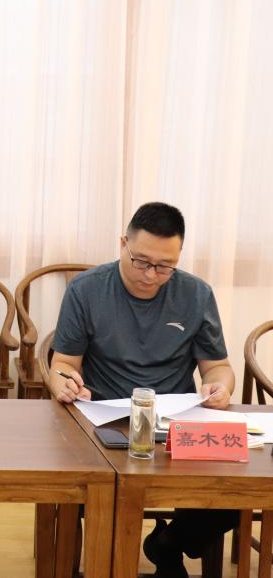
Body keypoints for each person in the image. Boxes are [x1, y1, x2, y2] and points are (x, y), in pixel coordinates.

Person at [48, 202, 236, 578]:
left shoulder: (196, 294)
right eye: (141, 262)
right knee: (95, 485)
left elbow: (218, 367)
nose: (151, 275)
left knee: (235, 485)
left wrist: (221, 387)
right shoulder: (86, 290)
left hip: (176, 426)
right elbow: (63, 363)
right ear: (123, 244)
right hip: (105, 424)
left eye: (164, 266)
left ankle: (168, 543)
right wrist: (64, 383)